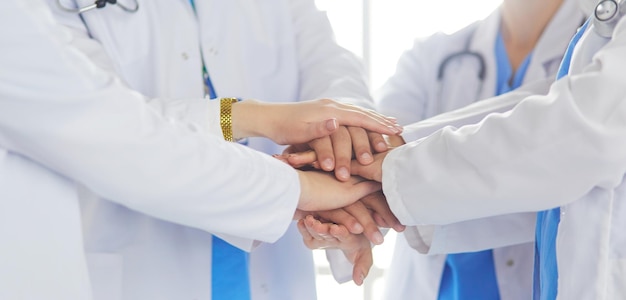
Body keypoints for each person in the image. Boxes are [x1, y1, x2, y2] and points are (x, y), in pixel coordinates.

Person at [0, 1, 401, 299]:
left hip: (272, 265)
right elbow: (108, 125)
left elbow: (331, 66)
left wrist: (347, 145)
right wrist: (261, 127)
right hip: (136, 262)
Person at [346, 0, 626, 298]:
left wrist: (381, 174)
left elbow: (580, 129)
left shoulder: (593, 37)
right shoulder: (434, 54)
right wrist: (368, 173)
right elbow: (377, 140)